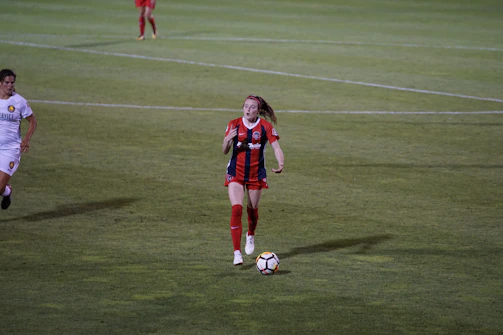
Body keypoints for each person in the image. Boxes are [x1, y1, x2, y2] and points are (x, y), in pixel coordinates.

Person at [222, 95, 284, 265]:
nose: (248, 109)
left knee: (252, 210)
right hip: (236, 172)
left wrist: (281, 162)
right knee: (236, 209)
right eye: (245, 106)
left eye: (251, 107)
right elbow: (224, 150)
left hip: (256, 174)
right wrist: (228, 139)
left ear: (258, 110)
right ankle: (236, 253)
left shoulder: (265, 127)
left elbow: (276, 147)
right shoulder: (234, 124)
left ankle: (250, 234)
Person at [0, 69, 37, 210]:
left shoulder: (19, 102)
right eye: (7, 82)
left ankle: (7, 192)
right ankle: (7, 191)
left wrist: (26, 140)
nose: (10, 85)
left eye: (12, 82)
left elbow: (33, 122)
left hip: (10, 149)